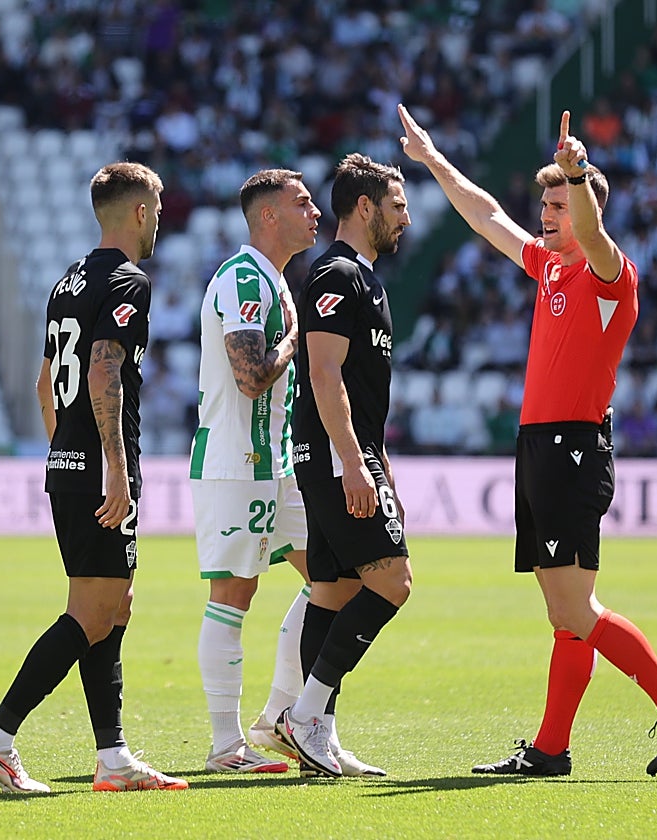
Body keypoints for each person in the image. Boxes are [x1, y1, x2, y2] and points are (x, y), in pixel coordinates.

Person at [398, 104, 657, 777]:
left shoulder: (608, 275)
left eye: (559, 203)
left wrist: (579, 173)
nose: (547, 214)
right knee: (564, 614)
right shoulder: (548, 267)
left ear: (585, 206)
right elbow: (485, 215)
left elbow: (596, 233)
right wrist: (432, 159)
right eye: (544, 202)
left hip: (572, 448)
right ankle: (549, 749)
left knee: (575, 606)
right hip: (541, 445)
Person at [0, 162, 187, 794]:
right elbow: (103, 371)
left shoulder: (68, 281)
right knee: (91, 612)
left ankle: (112, 758)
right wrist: (111, 465)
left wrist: (65, 450)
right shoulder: (128, 281)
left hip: (69, 458)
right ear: (139, 211)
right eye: (158, 207)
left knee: (115, 606)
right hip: (98, 465)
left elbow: (44, 384)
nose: (161, 218)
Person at [191, 168, 386, 777]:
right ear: (268, 215)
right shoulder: (242, 277)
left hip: (279, 463)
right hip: (235, 462)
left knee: (333, 579)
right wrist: (297, 337)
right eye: (302, 203)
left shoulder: (278, 279)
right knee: (234, 594)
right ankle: (226, 745)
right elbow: (250, 375)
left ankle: (283, 716)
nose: (314, 213)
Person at [273, 153, 413, 778]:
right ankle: (303, 716)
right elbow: (324, 375)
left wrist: (380, 465)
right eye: (397, 203)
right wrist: (357, 466)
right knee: (392, 584)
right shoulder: (336, 274)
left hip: (346, 453)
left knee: (334, 590)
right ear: (365, 208)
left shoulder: (365, 278)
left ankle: (316, 735)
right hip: (334, 455)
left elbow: (362, 387)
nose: (405, 216)